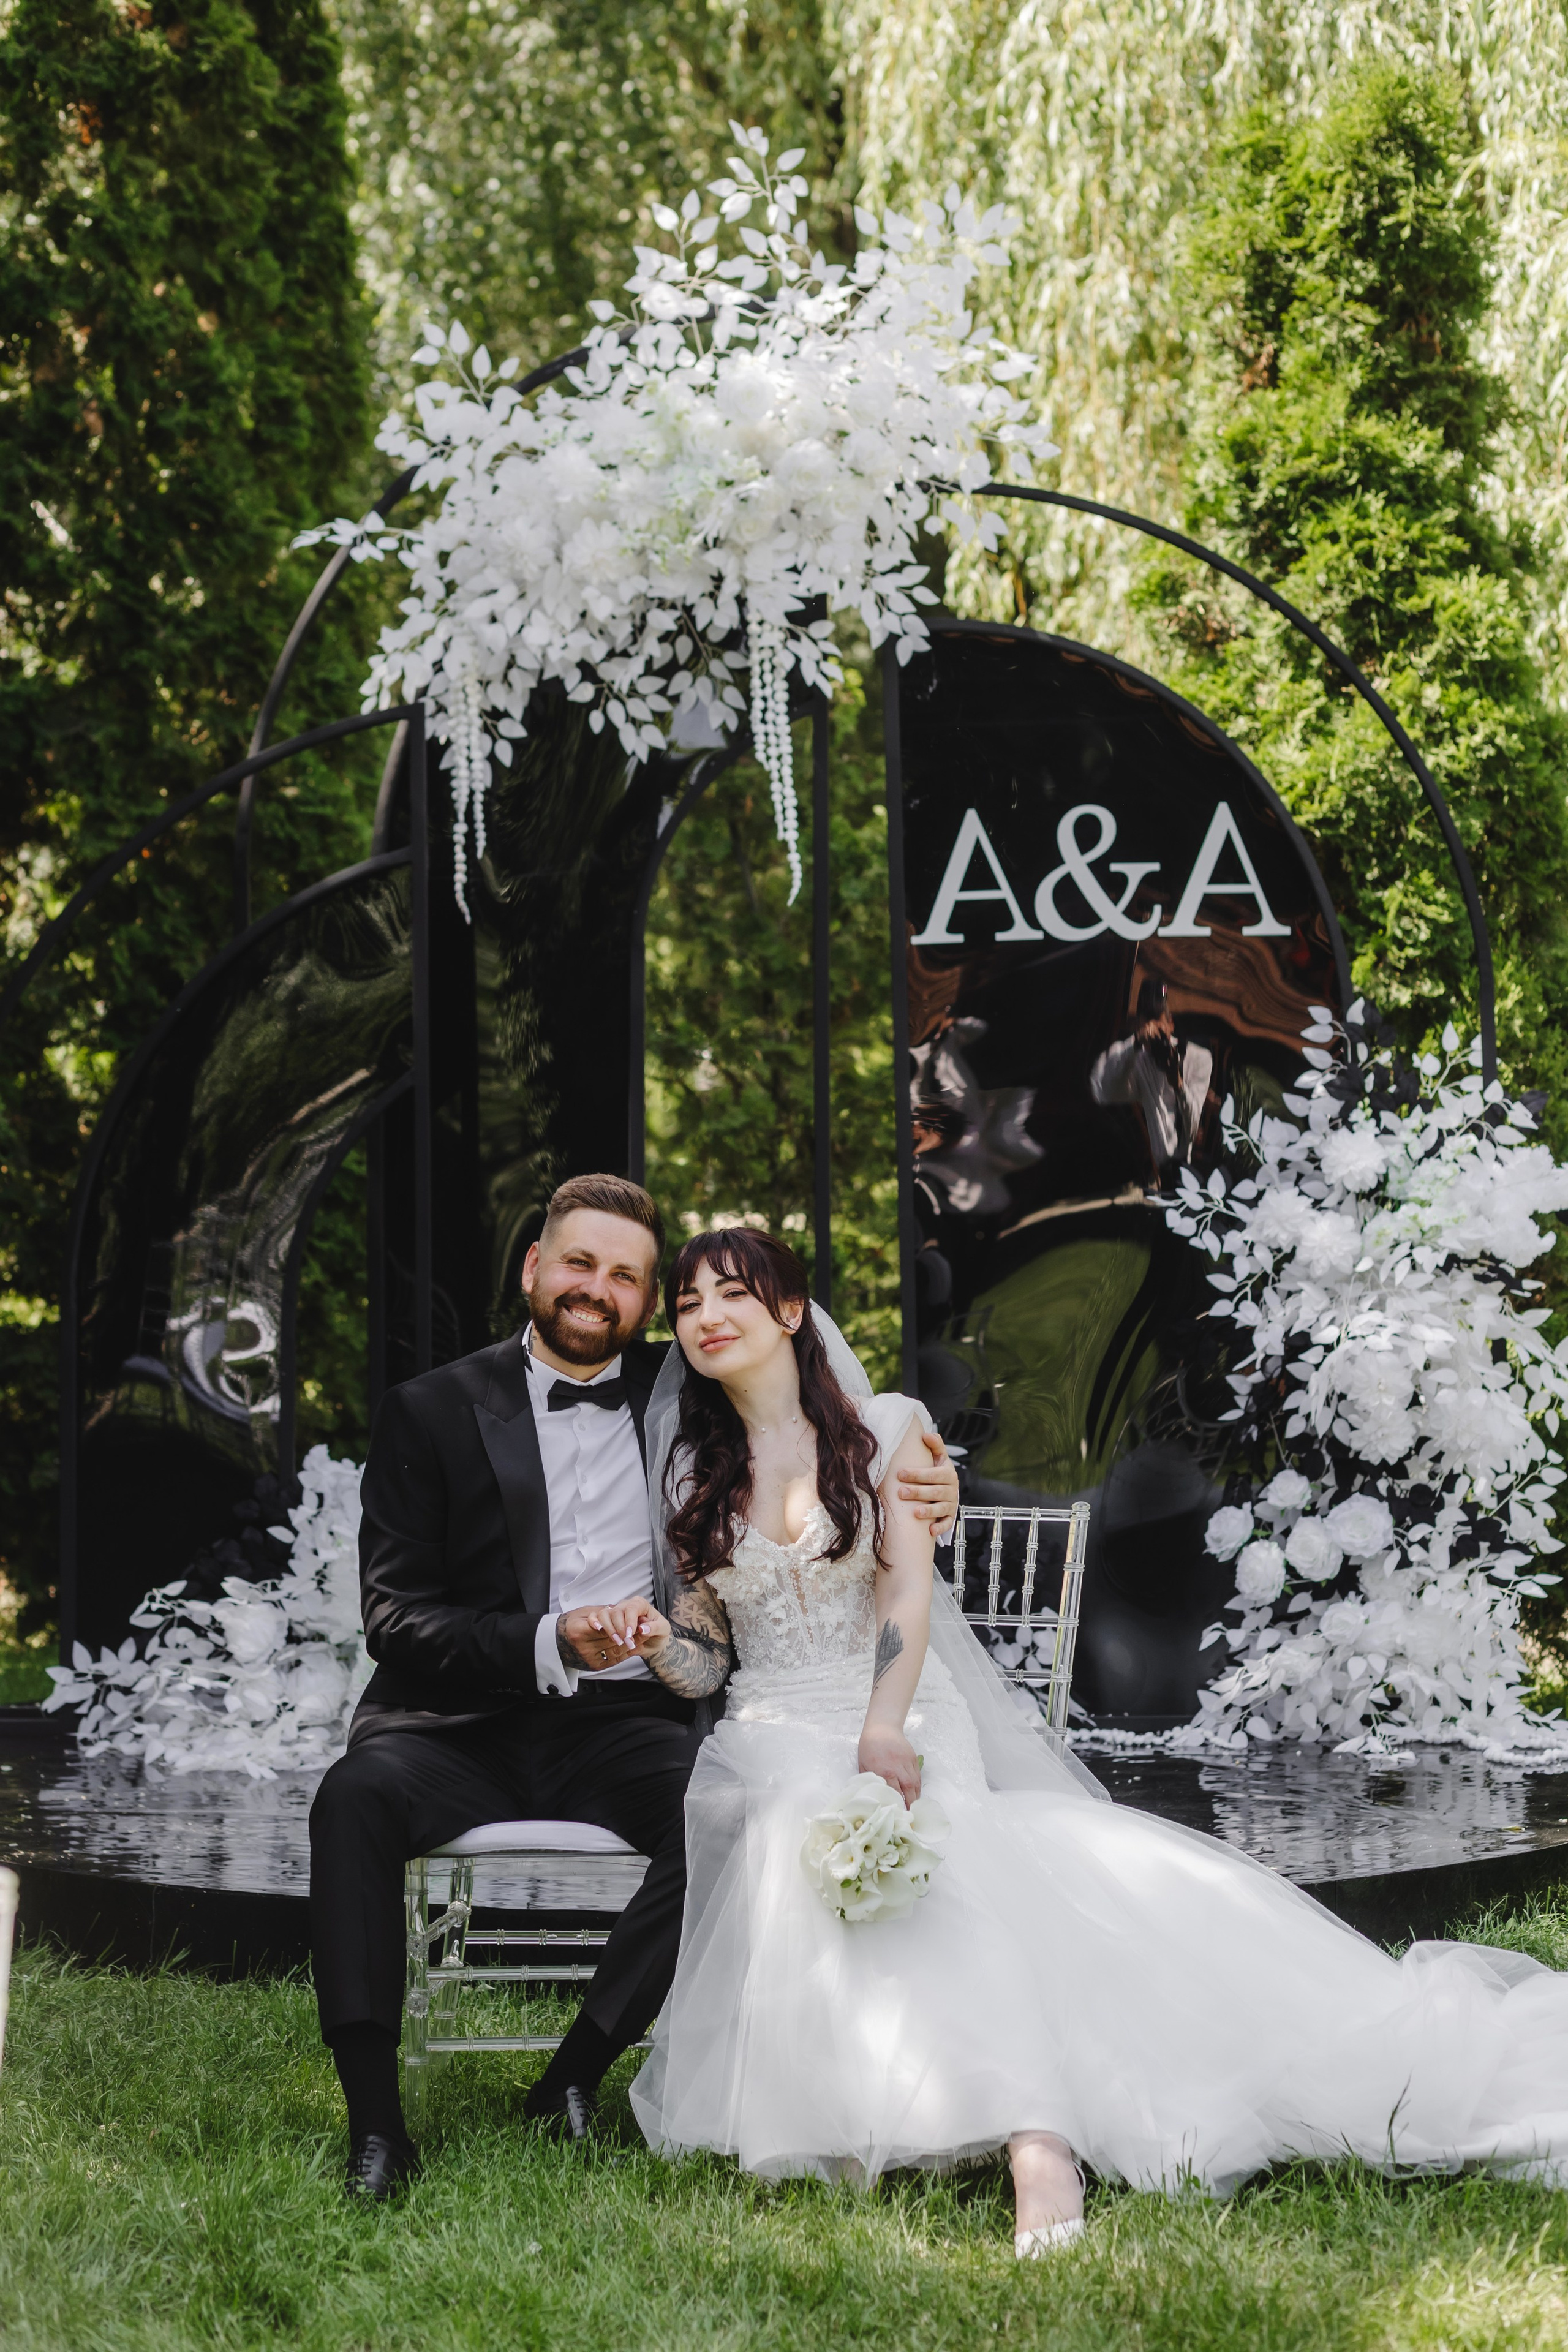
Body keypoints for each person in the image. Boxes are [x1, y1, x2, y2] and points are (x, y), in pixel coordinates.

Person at [609, 1226, 1568, 2254]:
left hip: (893, 1702)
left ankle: (1039, 2142)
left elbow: (905, 1593)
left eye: (731, 1295)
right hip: (771, 1725)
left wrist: (882, 1725)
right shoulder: (694, 1476)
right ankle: (871, 2113)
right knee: (793, 1812)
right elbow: (709, 1664)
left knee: (919, 1841)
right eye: (688, 1303)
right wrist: (662, 1637)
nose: (705, 1317)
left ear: (789, 1313)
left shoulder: (884, 1431)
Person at [308, 1175, 959, 2199]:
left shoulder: (688, 1388)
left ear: (648, 1301)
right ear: (534, 1268)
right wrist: (549, 1636)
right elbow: (395, 1619)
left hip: (624, 1723)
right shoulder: (427, 1411)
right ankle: (375, 2124)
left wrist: (933, 1480)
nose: (595, 1290)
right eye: (578, 1263)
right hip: (455, 1724)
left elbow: (818, 1423)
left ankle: (572, 2075)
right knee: (350, 1800)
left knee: (731, 1811)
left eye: (626, 1277)